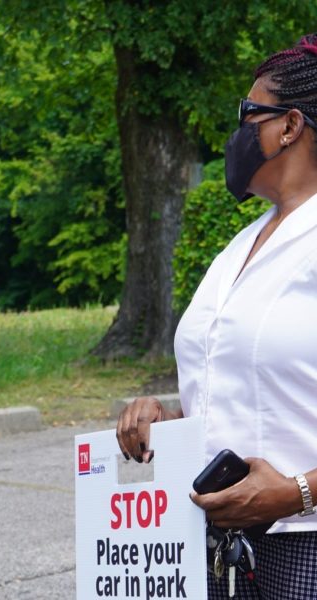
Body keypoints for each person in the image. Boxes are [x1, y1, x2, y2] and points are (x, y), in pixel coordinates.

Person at [116, 34, 317, 600]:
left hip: (306, 548)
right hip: (215, 545)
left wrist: (297, 492)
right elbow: (252, 388)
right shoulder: (240, 246)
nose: (236, 136)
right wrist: (169, 416)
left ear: (289, 126)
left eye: (248, 115)